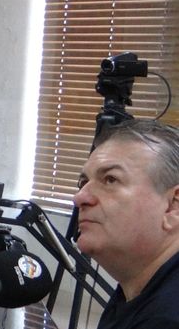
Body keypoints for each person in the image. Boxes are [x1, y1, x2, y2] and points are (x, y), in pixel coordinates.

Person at [74, 118, 179, 329]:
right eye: (83, 183)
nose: (79, 197)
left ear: (172, 207)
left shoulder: (167, 319)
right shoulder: (137, 289)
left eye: (110, 179)